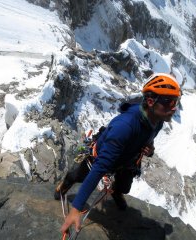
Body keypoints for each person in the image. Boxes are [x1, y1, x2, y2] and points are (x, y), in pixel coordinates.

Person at [55, 73, 181, 234]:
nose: (174, 107)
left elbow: (149, 138)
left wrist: (150, 150)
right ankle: (64, 186)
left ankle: (115, 191)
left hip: (127, 160)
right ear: (151, 101)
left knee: (124, 187)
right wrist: (76, 208)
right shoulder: (125, 126)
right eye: (169, 101)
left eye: (176, 101)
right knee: (77, 176)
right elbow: (100, 168)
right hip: (101, 156)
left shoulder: (158, 121)